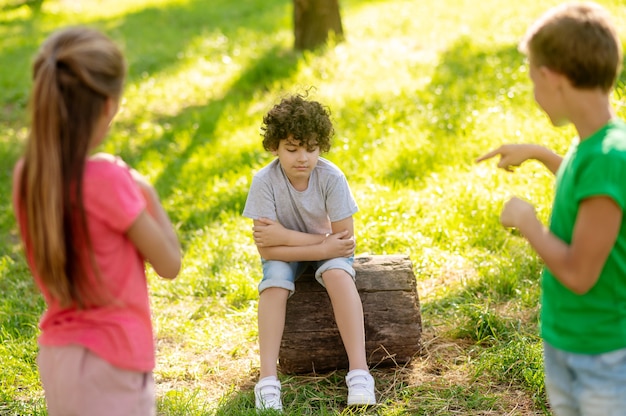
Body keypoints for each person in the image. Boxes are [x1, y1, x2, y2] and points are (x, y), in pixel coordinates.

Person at [12, 26, 182, 415]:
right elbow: (169, 264)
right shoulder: (107, 179)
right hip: (113, 362)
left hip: (58, 356)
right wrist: (143, 188)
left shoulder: (28, 176)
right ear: (108, 105)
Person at [477, 2, 626, 415]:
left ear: (551, 78)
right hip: (569, 338)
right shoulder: (594, 142)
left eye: (532, 81)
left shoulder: (610, 157)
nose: (534, 93)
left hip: (600, 354)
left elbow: (580, 273)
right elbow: (589, 192)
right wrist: (541, 154)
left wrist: (528, 223)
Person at [243, 94, 376, 411]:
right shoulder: (264, 181)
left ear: (322, 147)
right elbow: (266, 246)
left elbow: (343, 242)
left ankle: (360, 373)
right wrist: (321, 243)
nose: (302, 157)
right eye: (291, 148)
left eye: (311, 148)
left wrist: (314, 245)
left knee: (336, 271)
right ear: (275, 147)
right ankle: (268, 381)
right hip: (292, 253)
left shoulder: (331, 177)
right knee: (274, 279)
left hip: (323, 249)